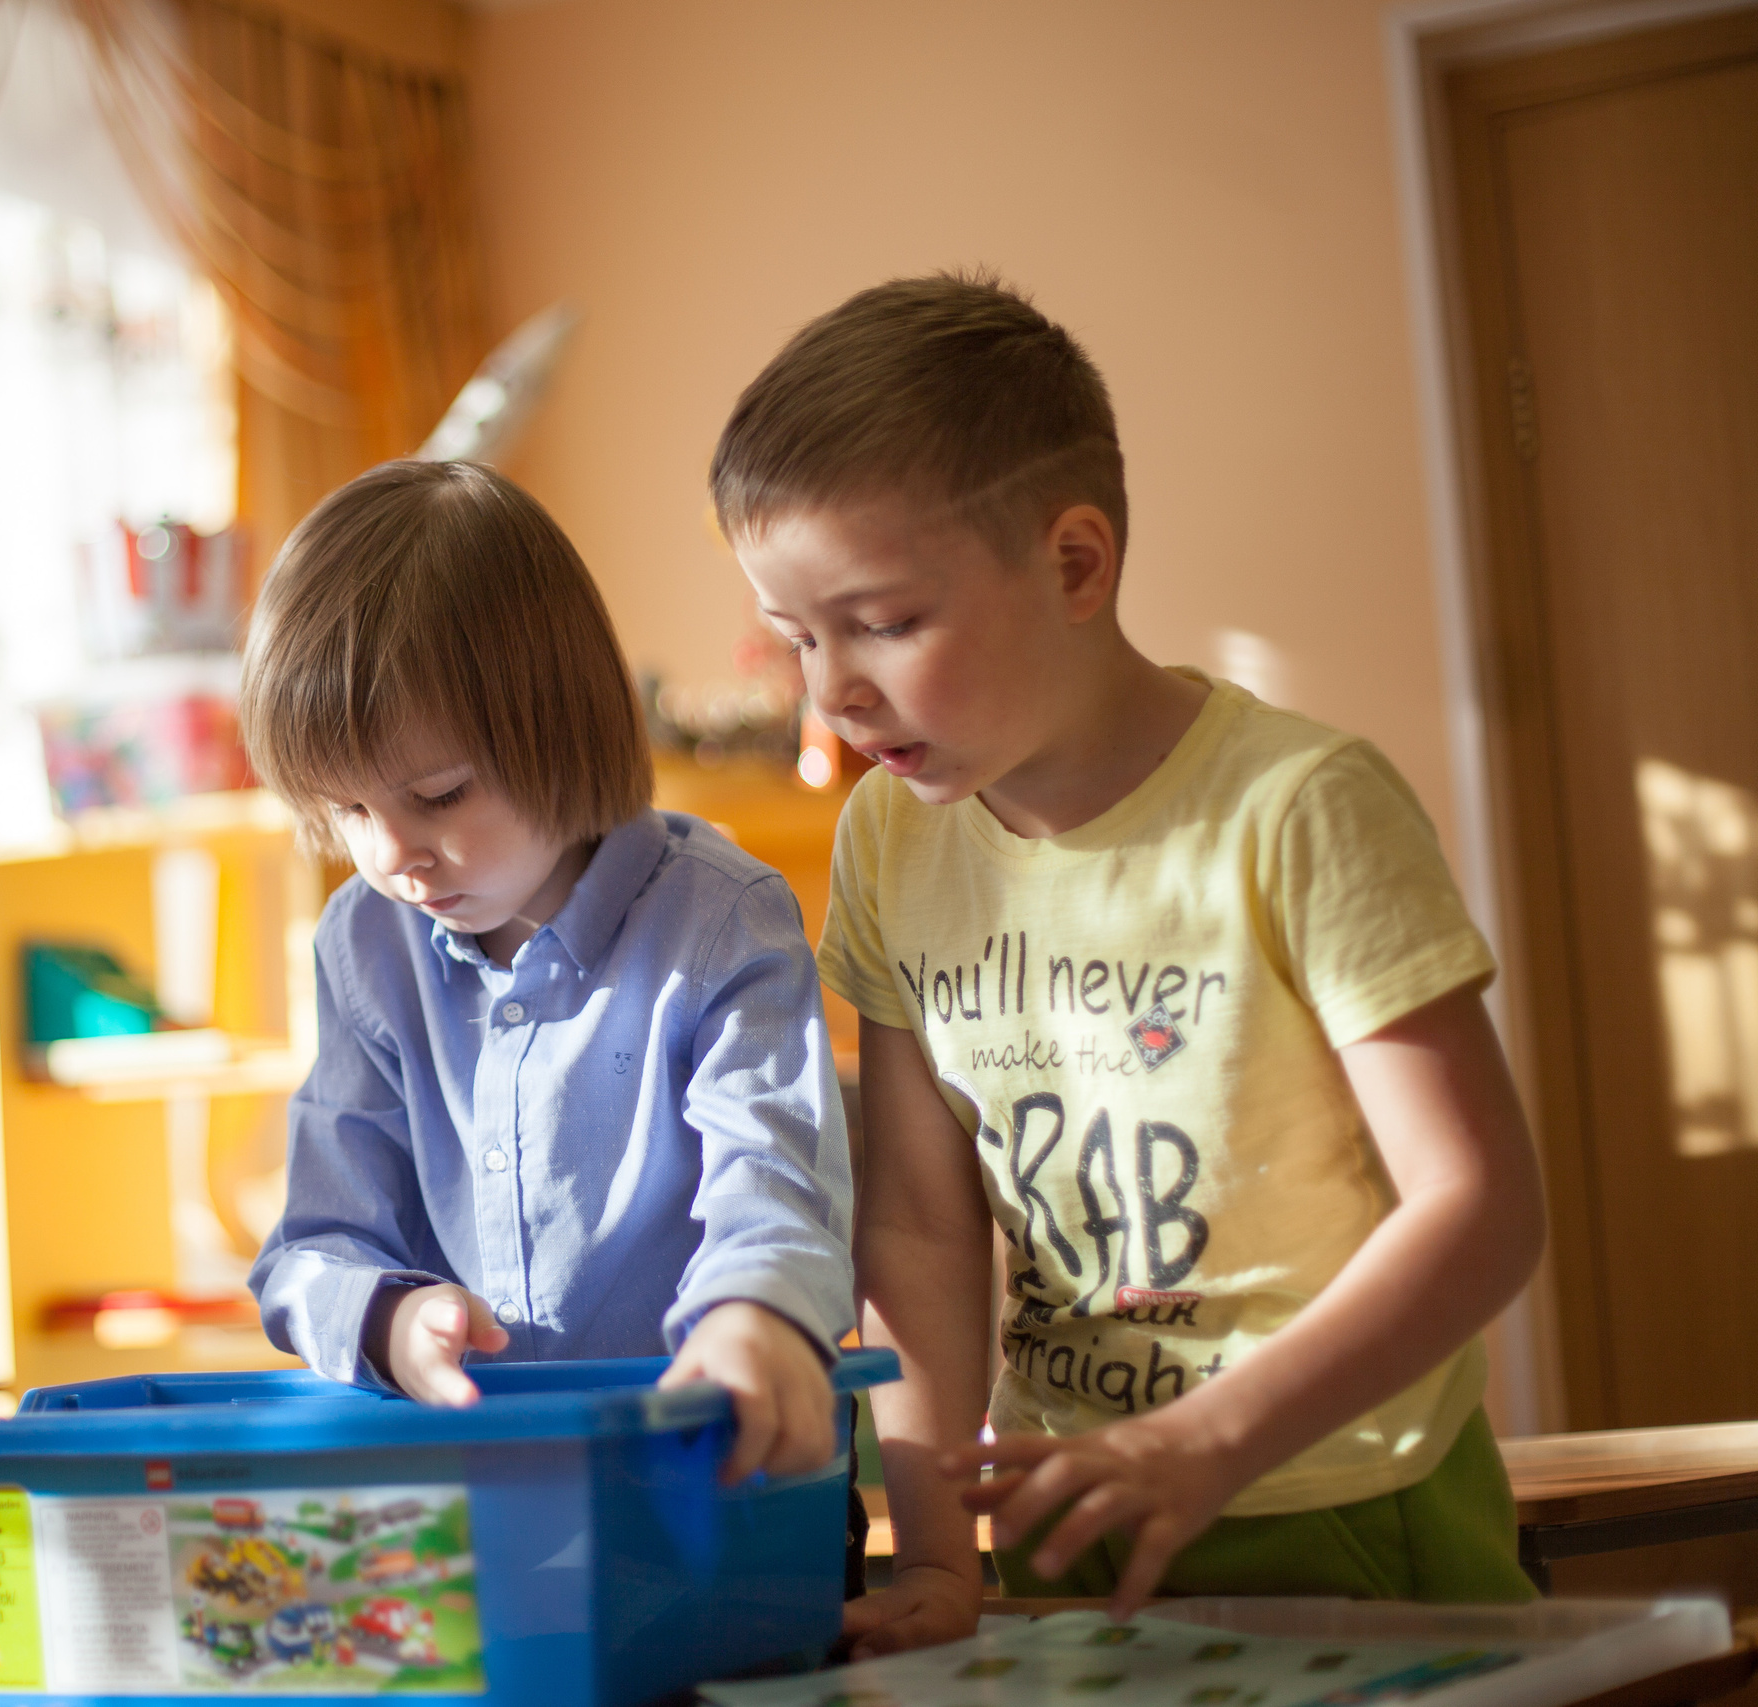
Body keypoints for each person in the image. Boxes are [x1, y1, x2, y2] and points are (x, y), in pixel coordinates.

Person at [713, 274, 1548, 1649]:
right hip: (1062, 1510)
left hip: (1336, 1499)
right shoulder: (890, 840)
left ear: (1076, 563)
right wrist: (938, 1556)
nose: (832, 693)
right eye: (799, 637)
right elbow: (923, 1223)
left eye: (882, 621)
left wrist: (1208, 1440)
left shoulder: (1299, 807)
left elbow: (1483, 1204)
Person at [243, 458, 855, 1490]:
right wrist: (390, 1319)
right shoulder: (365, 944)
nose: (392, 855)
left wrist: (753, 1318)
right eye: (348, 811)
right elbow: (313, 1248)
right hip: (481, 1501)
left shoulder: (717, 920)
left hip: (711, 1485)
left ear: (560, 730)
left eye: (436, 795)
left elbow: (775, 1184)